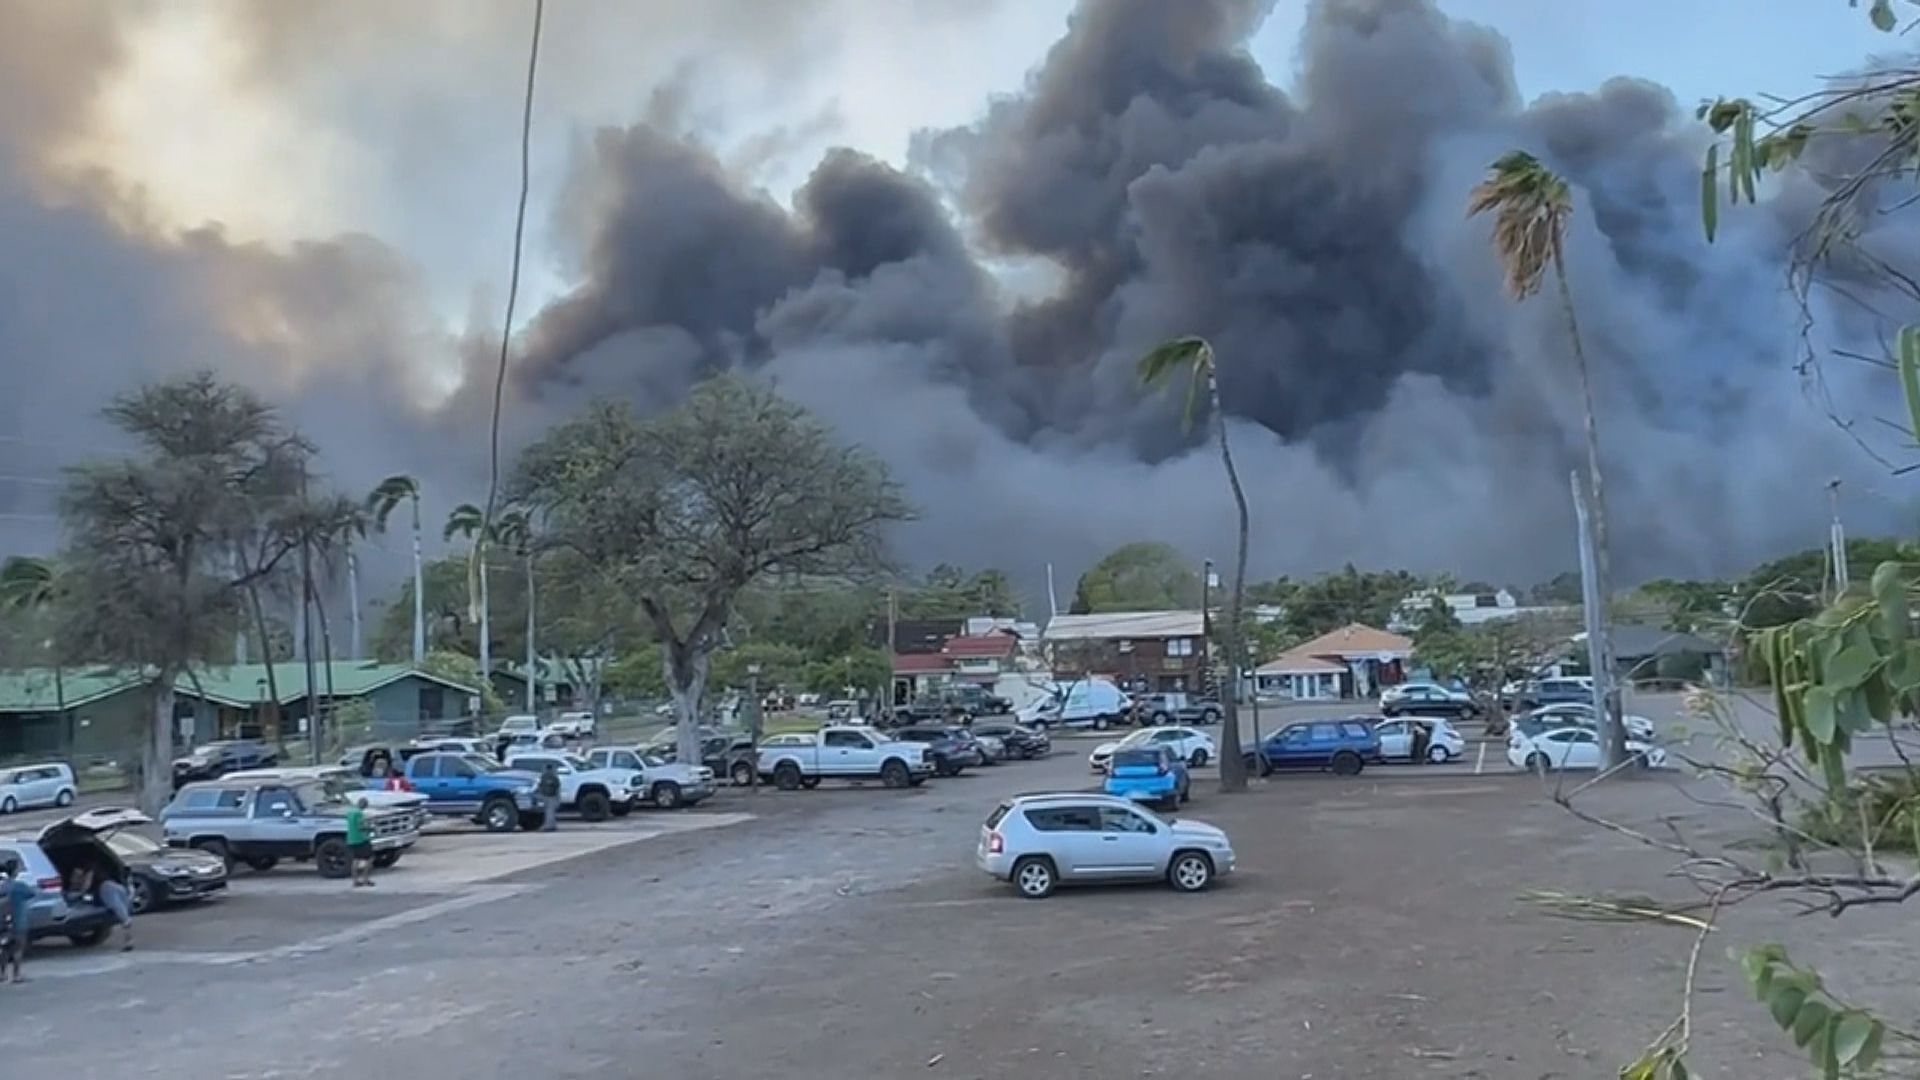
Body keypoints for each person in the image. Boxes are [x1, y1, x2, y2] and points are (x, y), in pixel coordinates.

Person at [1, 858, 37, 984]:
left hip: (3, 922)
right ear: (15, 871)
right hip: (19, 921)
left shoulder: (2, 886)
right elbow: (32, 893)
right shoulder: (20, 886)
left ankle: (2, 973)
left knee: (5, 948)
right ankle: (16, 975)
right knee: (18, 949)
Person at [345, 796, 374, 888]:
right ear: (364, 805)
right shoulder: (359, 813)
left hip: (351, 839)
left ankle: (355, 881)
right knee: (370, 858)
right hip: (361, 839)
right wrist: (370, 828)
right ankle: (366, 879)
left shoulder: (350, 812)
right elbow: (360, 827)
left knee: (356, 860)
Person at [537, 763, 561, 832]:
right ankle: (551, 826)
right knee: (550, 812)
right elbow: (557, 786)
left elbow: (540, 786)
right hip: (551, 796)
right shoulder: (553, 776)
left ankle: (549, 826)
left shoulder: (544, 776)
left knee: (548, 812)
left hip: (547, 796)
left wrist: (541, 794)